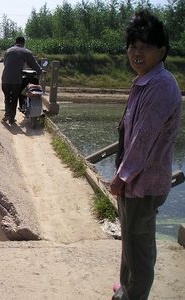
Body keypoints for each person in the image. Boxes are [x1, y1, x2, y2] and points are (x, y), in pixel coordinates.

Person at [109, 10, 182, 300]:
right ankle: (126, 289)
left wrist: (121, 177)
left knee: (139, 248)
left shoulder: (161, 85)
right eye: (133, 46)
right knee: (130, 241)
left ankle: (133, 294)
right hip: (134, 184)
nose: (137, 53)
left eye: (145, 47)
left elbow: (142, 140)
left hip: (143, 183)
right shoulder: (145, 81)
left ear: (161, 51)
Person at [1, 36, 42, 124]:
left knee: (7, 97)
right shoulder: (26, 52)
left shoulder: (8, 51)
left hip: (5, 78)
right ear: (24, 43)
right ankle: (11, 118)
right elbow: (33, 64)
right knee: (15, 97)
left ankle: (7, 114)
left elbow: (6, 64)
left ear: (15, 42)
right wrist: (40, 71)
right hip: (16, 79)